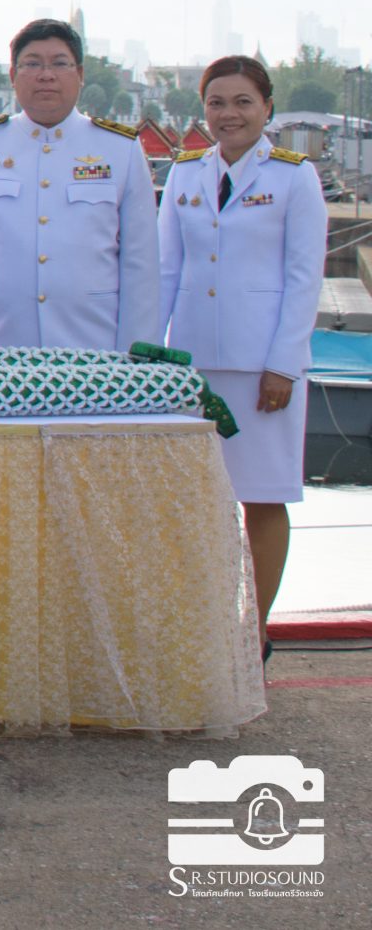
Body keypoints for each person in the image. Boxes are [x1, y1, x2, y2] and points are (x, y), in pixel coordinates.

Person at [159, 56, 326, 648]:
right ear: (203, 110)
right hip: (196, 365)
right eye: (217, 103)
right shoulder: (185, 174)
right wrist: (153, 360)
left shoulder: (293, 176)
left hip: (263, 370)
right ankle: (206, 628)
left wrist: (284, 364)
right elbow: (165, 270)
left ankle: (253, 635)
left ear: (267, 108)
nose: (228, 115)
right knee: (199, 502)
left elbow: (304, 278)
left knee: (263, 495)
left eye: (242, 103)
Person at [0, 18, 159, 350]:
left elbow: (141, 263)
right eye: (32, 64)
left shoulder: (119, 148)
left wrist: (135, 359)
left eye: (59, 64)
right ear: (12, 75)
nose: (46, 75)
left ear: (79, 75)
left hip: (93, 347)